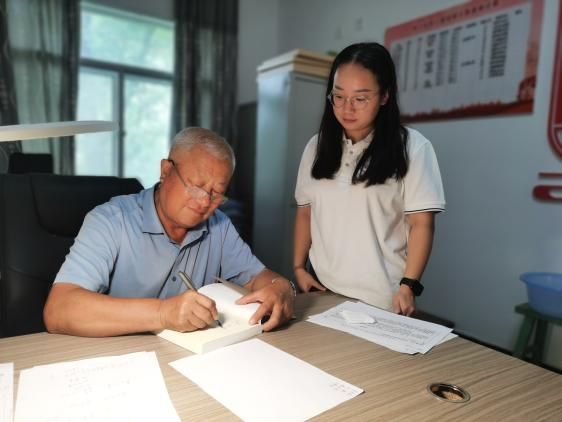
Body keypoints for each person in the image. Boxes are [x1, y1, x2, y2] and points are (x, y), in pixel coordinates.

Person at [44, 127, 295, 337]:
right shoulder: (110, 221)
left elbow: (259, 277)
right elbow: (58, 310)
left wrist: (282, 287)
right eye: (195, 186)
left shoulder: (219, 225)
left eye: (216, 193)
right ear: (165, 171)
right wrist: (163, 313)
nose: (204, 201)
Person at [293, 42, 445, 316]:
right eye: (338, 96)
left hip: (381, 300)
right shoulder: (316, 147)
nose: (347, 108)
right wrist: (298, 267)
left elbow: (422, 224)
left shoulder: (412, 147)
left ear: (385, 95)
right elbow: (306, 212)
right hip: (321, 291)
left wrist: (409, 285)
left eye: (360, 99)